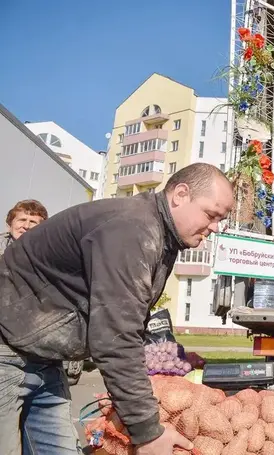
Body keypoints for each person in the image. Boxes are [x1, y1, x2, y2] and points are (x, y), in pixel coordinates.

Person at [0, 163, 234, 455]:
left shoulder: (161, 236)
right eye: (211, 214)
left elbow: (130, 322)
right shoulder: (132, 227)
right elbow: (116, 335)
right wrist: (147, 432)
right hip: (6, 352)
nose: (214, 227)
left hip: (45, 360)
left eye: (220, 219)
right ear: (181, 194)